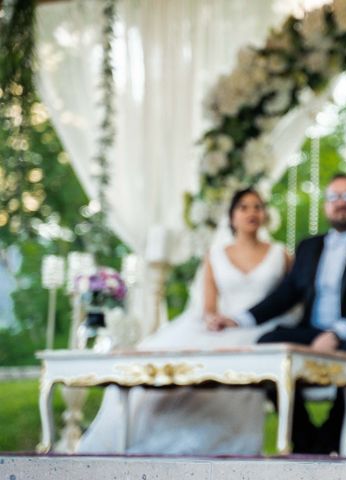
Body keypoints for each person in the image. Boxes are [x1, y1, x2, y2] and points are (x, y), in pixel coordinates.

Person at [77, 188, 296, 455]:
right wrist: (215, 320)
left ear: (265, 214)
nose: (252, 212)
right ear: (232, 216)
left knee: (240, 362)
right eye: (244, 207)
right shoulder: (215, 254)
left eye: (258, 207)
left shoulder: (281, 254)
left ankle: (227, 442)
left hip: (259, 329)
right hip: (219, 325)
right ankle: (137, 434)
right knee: (156, 354)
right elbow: (208, 305)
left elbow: (290, 298)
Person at [210, 173, 346, 453]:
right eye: (334, 197)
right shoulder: (309, 247)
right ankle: (307, 440)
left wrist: (338, 332)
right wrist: (237, 319)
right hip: (311, 330)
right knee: (267, 346)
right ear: (325, 206)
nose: (341, 203)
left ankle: (331, 438)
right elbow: (285, 294)